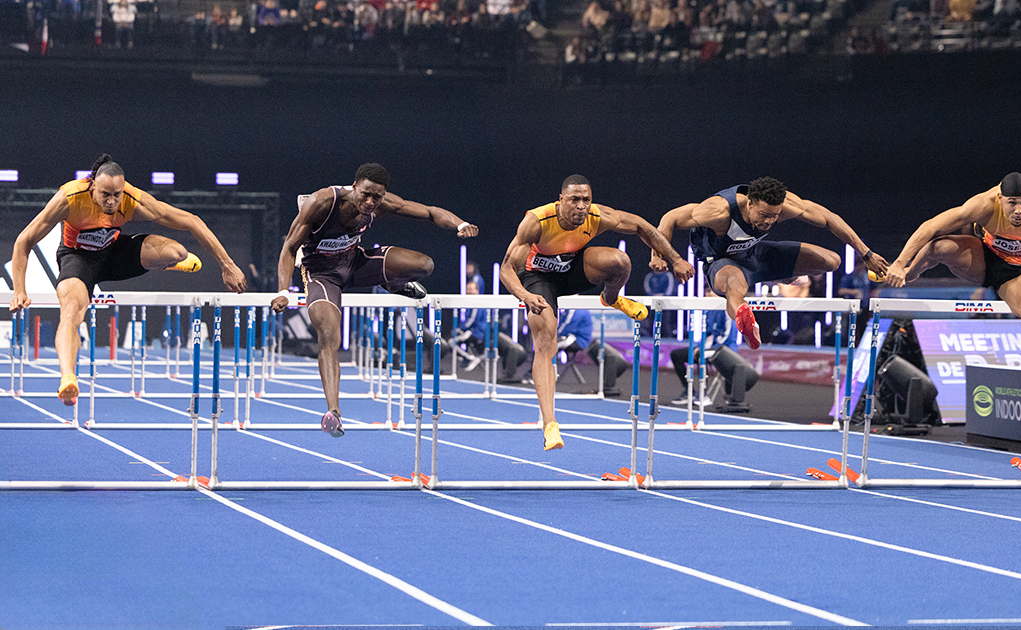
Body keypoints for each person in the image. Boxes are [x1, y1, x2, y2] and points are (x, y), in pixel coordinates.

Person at [8, 154, 248, 405]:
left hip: (113, 254)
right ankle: (68, 377)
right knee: (71, 311)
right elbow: (24, 241)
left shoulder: (133, 199)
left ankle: (167, 263)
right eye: (105, 195)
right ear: (92, 186)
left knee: (177, 251)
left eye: (117, 194)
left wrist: (227, 265)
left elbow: (192, 221)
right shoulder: (69, 199)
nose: (112, 201)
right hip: (78, 259)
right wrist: (20, 291)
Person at [270, 163, 478, 438]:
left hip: (355, 263)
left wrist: (459, 224)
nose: (370, 202)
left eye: (376, 197)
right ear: (354, 186)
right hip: (321, 275)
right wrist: (283, 291)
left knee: (424, 265)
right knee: (329, 335)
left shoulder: (383, 203)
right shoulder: (322, 202)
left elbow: (429, 212)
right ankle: (334, 411)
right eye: (365, 194)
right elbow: (289, 247)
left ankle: (390, 282)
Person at [499, 174, 693, 451]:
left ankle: (611, 298)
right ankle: (550, 424)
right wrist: (526, 296)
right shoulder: (537, 221)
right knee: (546, 341)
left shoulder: (598, 216)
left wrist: (674, 258)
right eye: (574, 200)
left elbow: (641, 226)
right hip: (537, 279)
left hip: (573, 270)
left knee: (619, 261)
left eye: (586, 200)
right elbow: (507, 268)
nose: (581, 207)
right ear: (560, 201)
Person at [881, 172, 1021, 432]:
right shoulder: (983, 204)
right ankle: (907, 275)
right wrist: (899, 262)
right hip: (985, 257)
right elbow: (931, 226)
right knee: (938, 247)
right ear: (1000, 198)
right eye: (1012, 203)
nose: (1018, 210)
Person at [652, 176, 888, 350]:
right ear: (750, 204)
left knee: (832, 261)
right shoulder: (718, 211)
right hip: (723, 264)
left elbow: (829, 218)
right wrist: (664, 256)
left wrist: (866, 255)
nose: (769, 222)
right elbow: (669, 218)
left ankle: (779, 273)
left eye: (775, 216)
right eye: (764, 215)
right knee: (735, 285)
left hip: (757, 255)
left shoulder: (787, 206)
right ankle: (746, 322)